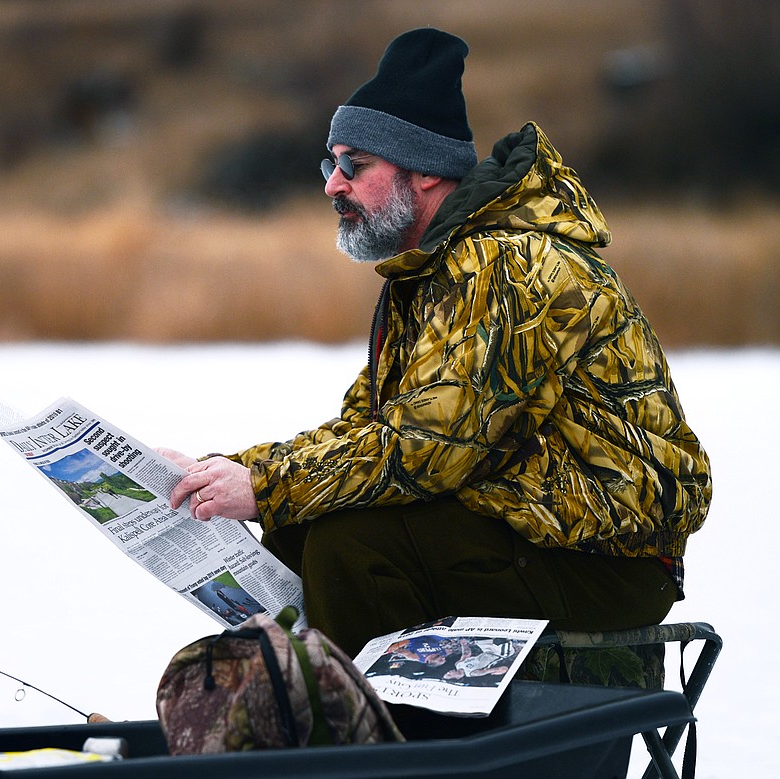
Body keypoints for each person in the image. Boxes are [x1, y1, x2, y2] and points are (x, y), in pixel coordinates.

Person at [159, 27, 712, 659]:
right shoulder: (430, 274)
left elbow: (425, 448)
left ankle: (379, 745)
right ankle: (307, 716)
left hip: (608, 562)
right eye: (330, 164)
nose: (332, 186)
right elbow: (368, 429)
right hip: (524, 530)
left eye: (354, 166)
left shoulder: (508, 267)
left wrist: (265, 483)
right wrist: (223, 474)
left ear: (422, 173)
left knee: (351, 546)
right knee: (301, 527)